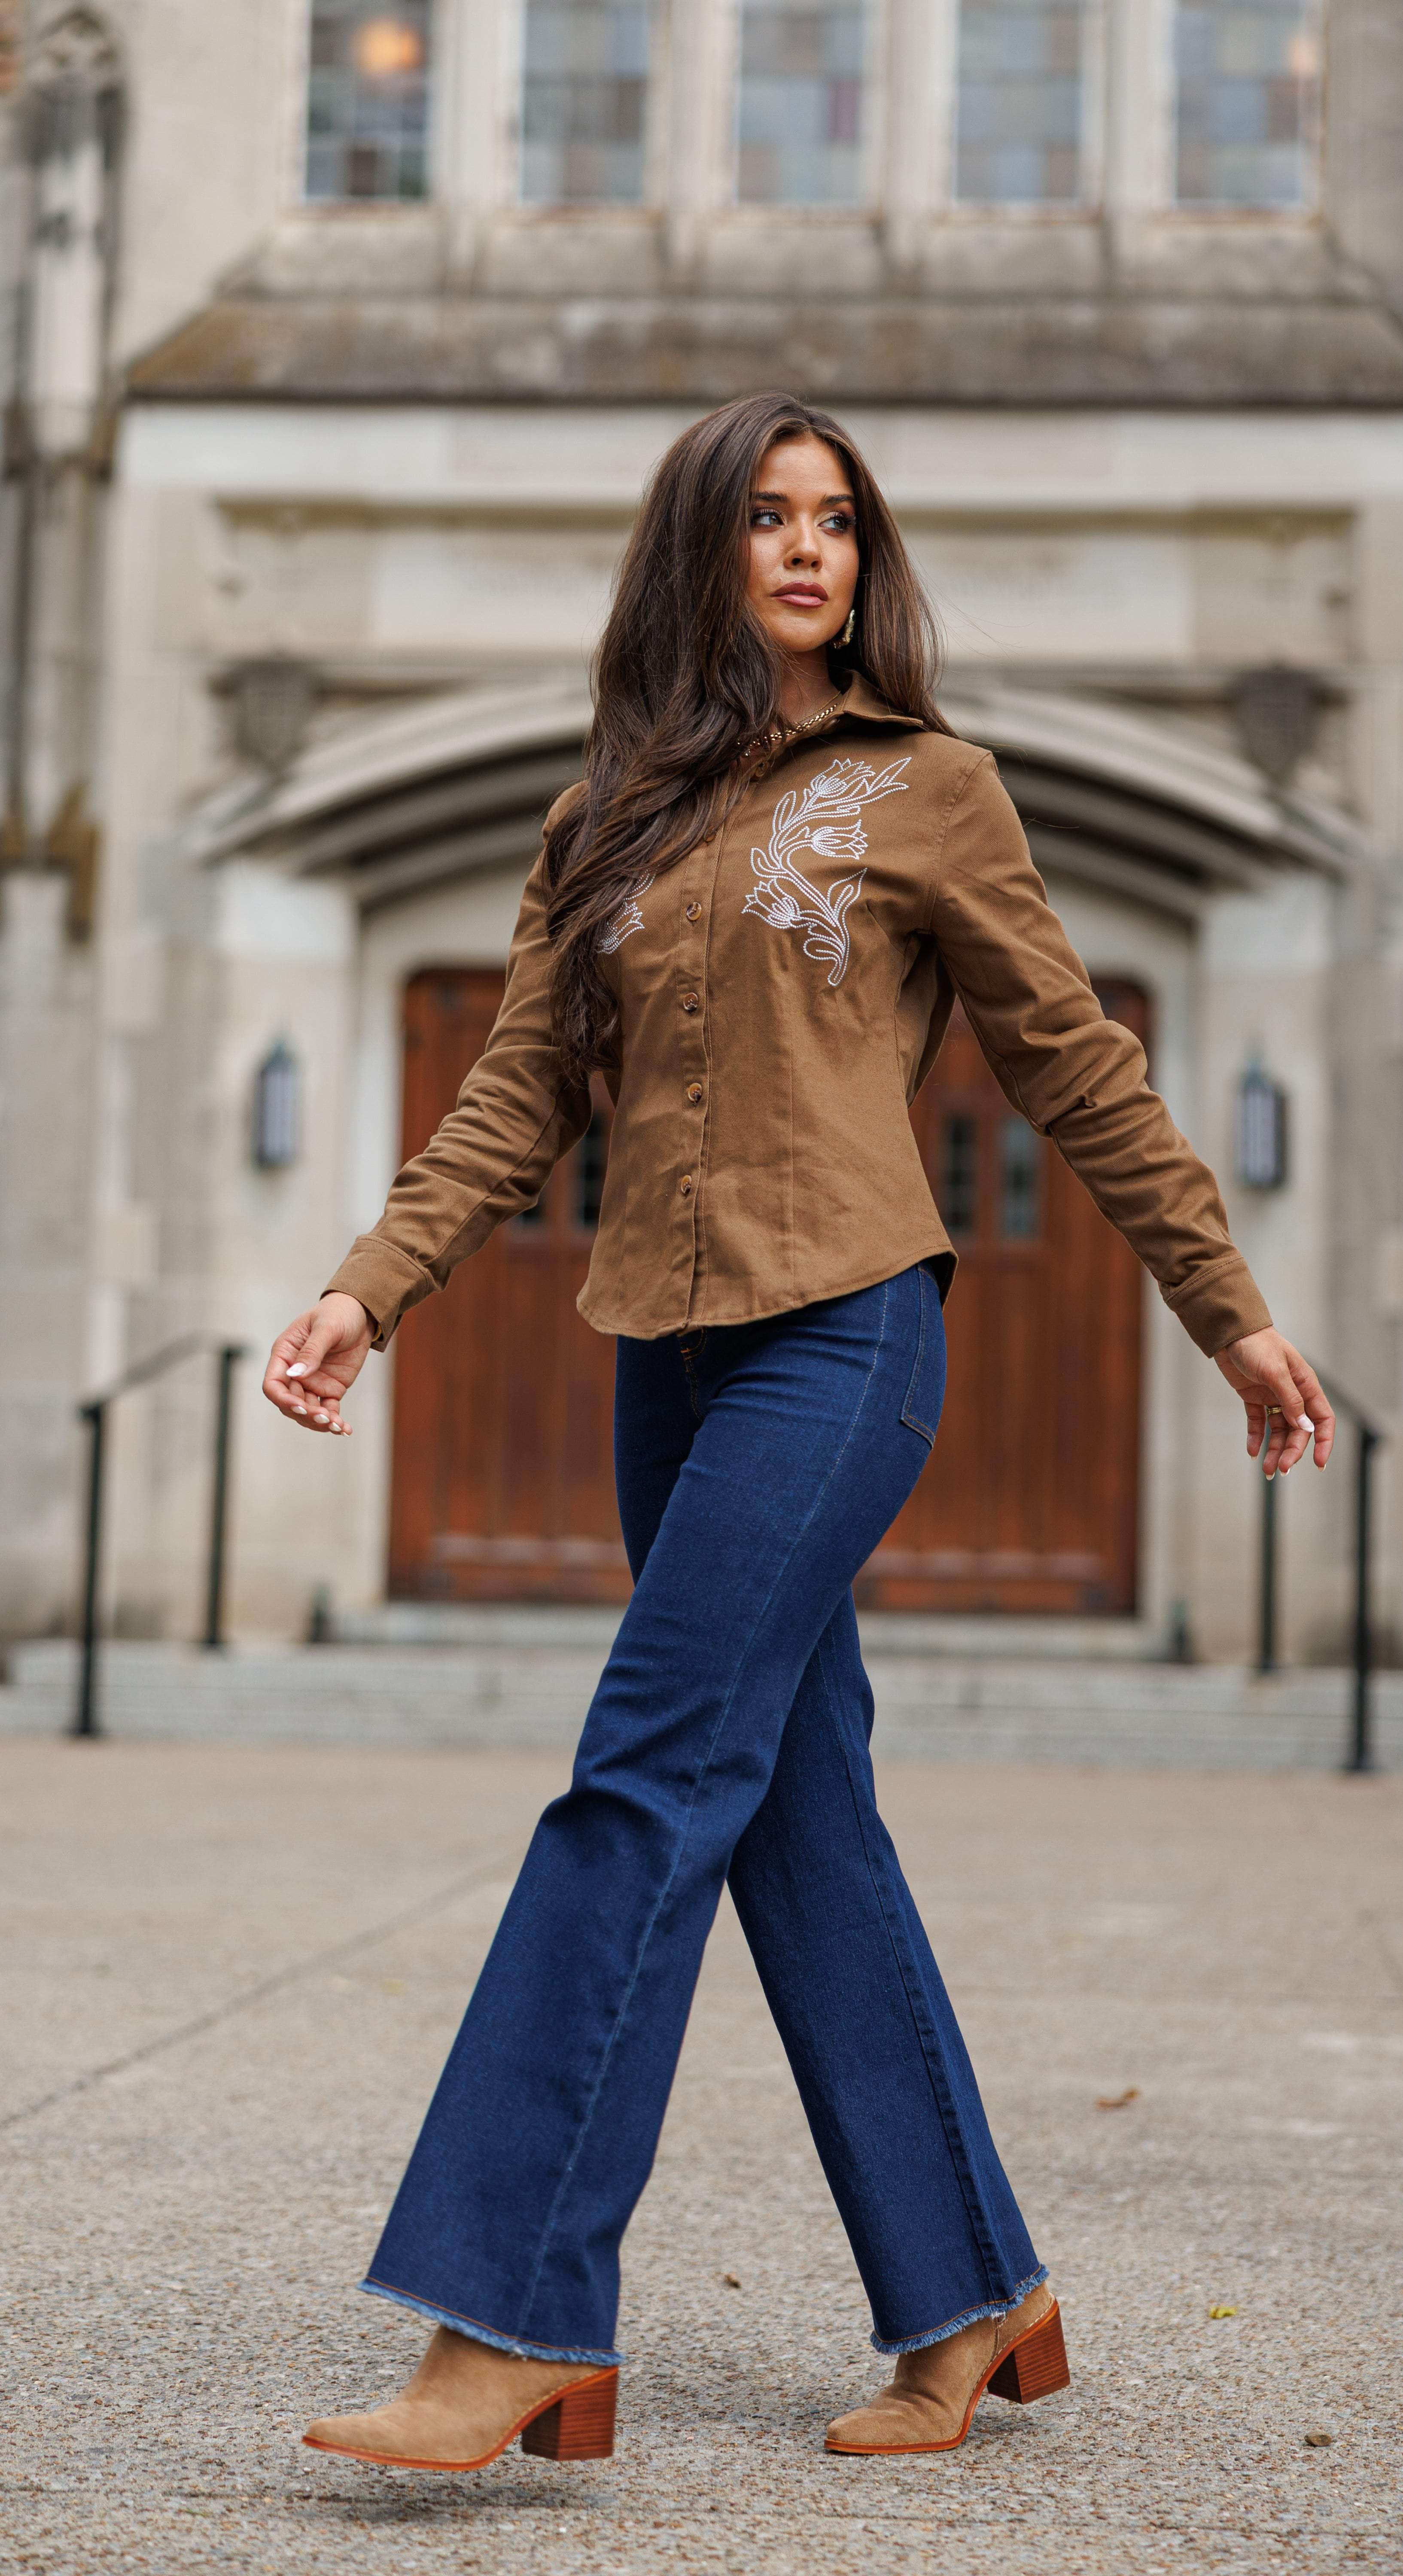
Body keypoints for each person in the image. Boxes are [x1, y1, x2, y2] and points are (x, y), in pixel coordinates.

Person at [263, 389, 1334, 2476]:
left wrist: (1231, 1311)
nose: (808, 550)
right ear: (701, 550)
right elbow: (512, 1096)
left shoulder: (929, 788)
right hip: (657, 1365)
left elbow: (1077, 1067)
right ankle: (973, 2301)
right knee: (793, 1817)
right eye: (764, 516)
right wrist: (365, 1287)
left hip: (844, 1343)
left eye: (836, 518)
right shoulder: (601, 829)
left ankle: (511, 2314)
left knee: (643, 1779)